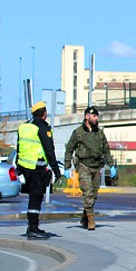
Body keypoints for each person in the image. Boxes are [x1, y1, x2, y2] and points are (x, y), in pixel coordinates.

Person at [17, 101, 61, 239]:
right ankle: (33, 229)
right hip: (37, 168)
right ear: (44, 113)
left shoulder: (24, 127)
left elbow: (19, 147)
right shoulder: (42, 128)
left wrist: (19, 167)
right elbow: (49, 150)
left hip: (25, 167)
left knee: (33, 197)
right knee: (36, 198)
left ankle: (31, 226)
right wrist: (56, 170)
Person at [64, 106, 111, 231]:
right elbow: (69, 149)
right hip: (83, 165)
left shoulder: (100, 133)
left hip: (96, 166)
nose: (96, 118)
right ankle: (91, 220)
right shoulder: (78, 133)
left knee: (94, 195)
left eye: (97, 116)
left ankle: (85, 216)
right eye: (94, 116)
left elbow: (106, 150)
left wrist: (111, 166)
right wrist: (67, 166)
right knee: (88, 192)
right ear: (87, 117)